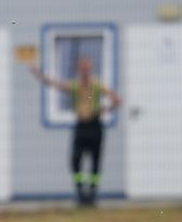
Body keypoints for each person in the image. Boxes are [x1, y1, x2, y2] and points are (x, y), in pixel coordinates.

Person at [30, 55, 120, 206]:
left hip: (95, 125)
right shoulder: (76, 86)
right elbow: (57, 85)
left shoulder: (96, 86)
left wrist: (105, 109)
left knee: (95, 161)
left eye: (87, 68)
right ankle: (80, 192)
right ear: (79, 69)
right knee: (75, 160)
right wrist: (40, 75)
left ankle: (92, 193)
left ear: (90, 69)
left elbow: (117, 99)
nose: (84, 71)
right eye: (82, 68)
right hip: (81, 126)